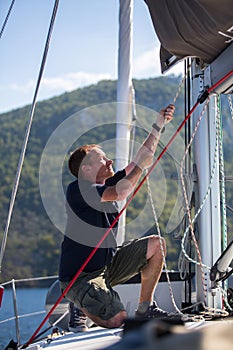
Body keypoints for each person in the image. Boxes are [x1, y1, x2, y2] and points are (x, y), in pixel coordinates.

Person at [59, 104, 178, 331]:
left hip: (107, 266)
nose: (110, 161)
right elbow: (122, 192)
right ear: (86, 169)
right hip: (80, 276)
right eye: (103, 159)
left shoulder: (106, 183)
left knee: (156, 245)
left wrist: (158, 126)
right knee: (118, 320)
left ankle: (145, 308)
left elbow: (142, 157)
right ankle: (79, 302)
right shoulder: (78, 190)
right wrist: (140, 169)